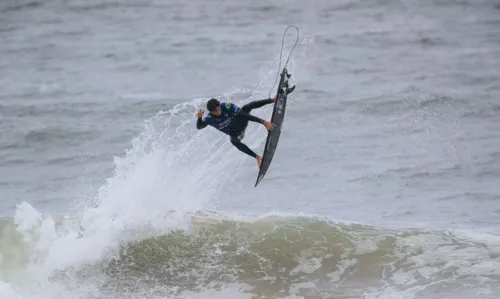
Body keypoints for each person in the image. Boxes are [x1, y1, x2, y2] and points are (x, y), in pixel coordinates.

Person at [196, 86, 295, 168]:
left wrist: (263, 122)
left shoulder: (226, 107)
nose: (219, 111)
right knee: (233, 141)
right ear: (211, 112)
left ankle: (273, 99)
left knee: (246, 107)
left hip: (241, 122)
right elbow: (199, 126)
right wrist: (199, 118)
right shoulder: (209, 118)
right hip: (237, 134)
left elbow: (244, 115)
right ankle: (257, 158)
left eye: (218, 108)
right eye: (216, 111)